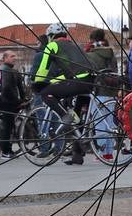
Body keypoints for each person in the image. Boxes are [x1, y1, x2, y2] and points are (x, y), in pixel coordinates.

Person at [33, 23, 95, 165]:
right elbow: (72, 70)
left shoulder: (52, 46)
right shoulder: (75, 46)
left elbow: (43, 69)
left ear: (51, 36)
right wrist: (56, 80)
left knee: (46, 94)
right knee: (76, 117)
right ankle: (77, 155)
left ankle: (64, 117)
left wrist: (38, 84)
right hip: (90, 81)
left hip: (77, 81)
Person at [84, 31, 120, 161]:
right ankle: (109, 153)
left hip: (98, 91)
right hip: (112, 92)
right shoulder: (111, 54)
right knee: (109, 123)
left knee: (99, 123)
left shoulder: (91, 55)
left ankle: (102, 152)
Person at [0, 50, 25, 157]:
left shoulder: (9, 71)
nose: (14, 58)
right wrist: (19, 100)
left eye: (15, 56)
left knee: (7, 126)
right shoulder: (6, 70)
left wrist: (22, 99)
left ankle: (4, 148)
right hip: (7, 102)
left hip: (5, 101)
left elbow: (20, 88)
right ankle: (6, 151)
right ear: (5, 58)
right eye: (12, 56)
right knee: (7, 126)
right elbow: (7, 88)